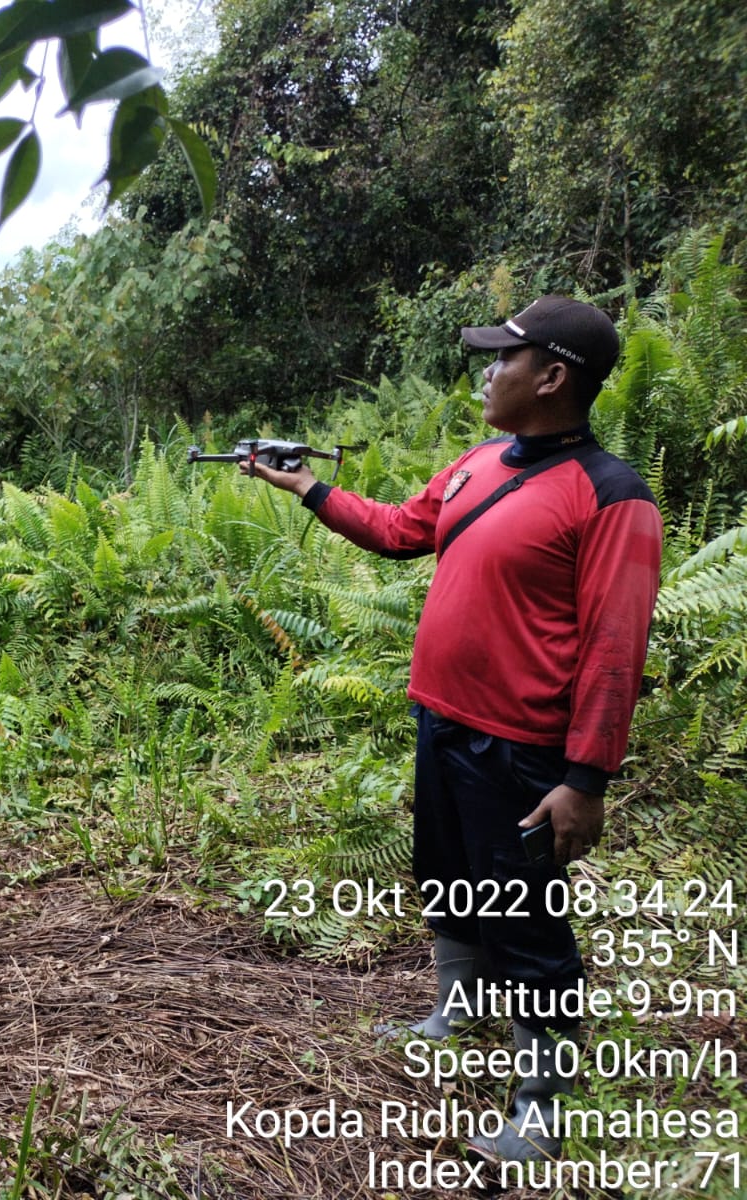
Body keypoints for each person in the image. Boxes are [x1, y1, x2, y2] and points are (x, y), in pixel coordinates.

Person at [243, 296, 662, 1164]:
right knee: (448, 879)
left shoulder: (612, 496)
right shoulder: (478, 462)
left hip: (524, 747)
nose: (487, 371)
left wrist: (585, 779)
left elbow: (616, 649)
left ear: (550, 378)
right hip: (443, 721)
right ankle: (454, 1011)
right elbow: (403, 532)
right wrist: (306, 486)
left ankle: (540, 1106)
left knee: (525, 920)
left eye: (503, 359)